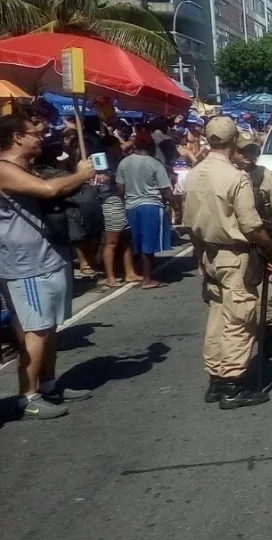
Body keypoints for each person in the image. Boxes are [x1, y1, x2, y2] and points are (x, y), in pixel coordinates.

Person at [1, 112, 97, 420]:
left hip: (49, 256)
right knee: (35, 330)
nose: (40, 138)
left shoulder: (26, 166)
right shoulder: (3, 168)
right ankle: (27, 395)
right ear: (16, 137)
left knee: (50, 327)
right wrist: (80, 175)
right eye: (34, 134)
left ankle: (50, 384)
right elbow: (48, 190)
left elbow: (55, 187)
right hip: (25, 265)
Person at [182, 117, 272, 410]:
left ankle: (216, 378)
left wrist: (199, 255)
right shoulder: (235, 178)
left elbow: (189, 223)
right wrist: (271, 249)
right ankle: (232, 386)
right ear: (234, 141)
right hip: (234, 254)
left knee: (217, 316)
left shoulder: (194, 175)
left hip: (209, 253)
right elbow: (251, 226)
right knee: (239, 319)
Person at [234, 133, 272, 354]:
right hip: (233, 246)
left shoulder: (264, 176)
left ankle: (265, 335)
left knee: (264, 294)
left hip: (260, 245)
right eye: (242, 151)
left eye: (252, 150)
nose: (248, 156)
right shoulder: (226, 176)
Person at [116, 131, 173, 289]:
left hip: (131, 206)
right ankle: (147, 279)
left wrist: (125, 200)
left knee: (137, 242)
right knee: (148, 244)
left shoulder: (124, 163)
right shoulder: (154, 164)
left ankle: (139, 273)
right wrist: (176, 205)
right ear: (150, 145)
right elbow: (165, 189)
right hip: (150, 205)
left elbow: (120, 188)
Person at [95, 134, 141, 288]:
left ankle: (129, 272)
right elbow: (103, 185)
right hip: (110, 201)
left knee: (126, 239)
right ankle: (110, 276)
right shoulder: (100, 165)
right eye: (115, 146)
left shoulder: (118, 162)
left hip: (123, 201)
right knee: (112, 241)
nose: (118, 149)